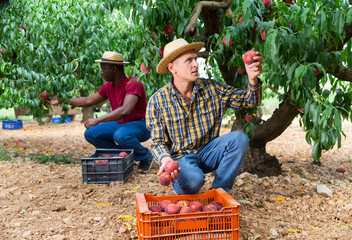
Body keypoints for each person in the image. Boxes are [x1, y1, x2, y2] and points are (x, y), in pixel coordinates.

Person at [146, 38, 263, 194]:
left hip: (208, 153)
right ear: (172, 67)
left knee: (239, 139)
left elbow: (249, 101)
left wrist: (252, 79)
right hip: (182, 161)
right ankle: (187, 182)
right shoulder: (158, 101)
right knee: (194, 181)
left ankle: (218, 192)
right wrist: (166, 160)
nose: (196, 64)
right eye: (189, 60)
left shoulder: (212, 89)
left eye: (195, 59)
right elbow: (157, 142)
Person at [51, 51, 152, 171]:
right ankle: (121, 157)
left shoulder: (133, 83)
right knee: (91, 133)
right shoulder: (108, 86)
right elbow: (89, 101)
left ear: (114, 68)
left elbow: (125, 110)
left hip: (140, 124)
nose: (101, 72)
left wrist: (98, 120)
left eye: (104, 68)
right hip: (120, 124)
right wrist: (63, 99)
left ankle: (145, 156)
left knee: (121, 136)